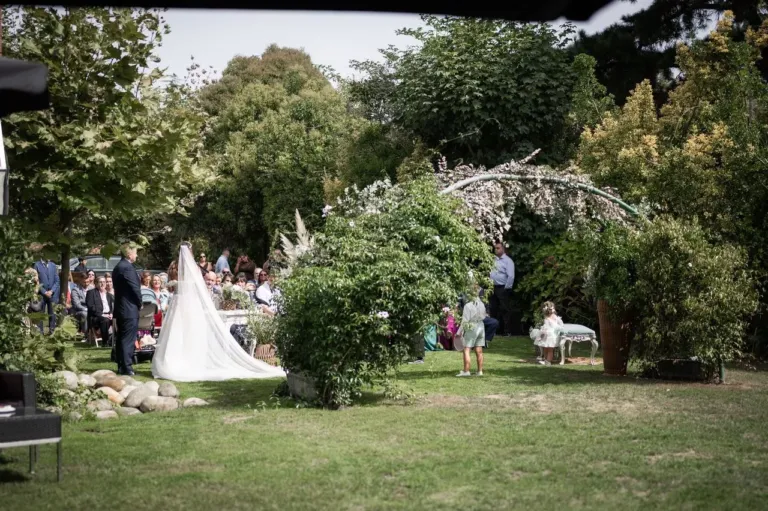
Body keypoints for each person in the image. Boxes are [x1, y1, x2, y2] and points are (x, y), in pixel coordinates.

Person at [151, 243, 286, 381]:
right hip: (184, 303)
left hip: (179, 303)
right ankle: (185, 358)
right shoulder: (193, 270)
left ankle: (179, 358)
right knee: (181, 330)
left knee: (179, 331)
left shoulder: (176, 268)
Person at [113, 244, 142, 376]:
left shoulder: (118, 267)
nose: (136, 255)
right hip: (129, 308)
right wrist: (140, 302)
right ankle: (127, 367)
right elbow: (135, 288)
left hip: (120, 307)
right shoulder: (128, 268)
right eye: (135, 253)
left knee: (121, 338)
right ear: (129, 254)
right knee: (128, 339)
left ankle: (121, 365)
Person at [456, 285, 486, 377]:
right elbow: (484, 316)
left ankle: (466, 371)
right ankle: (480, 371)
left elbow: (465, 321)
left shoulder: (468, 306)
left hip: (471, 326)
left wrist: (458, 332)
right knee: (479, 349)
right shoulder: (482, 304)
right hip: (481, 326)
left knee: (466, 349)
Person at [489, 241, 515, 336]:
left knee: (504, 309)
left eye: (498, 248)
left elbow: (511, 276)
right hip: (493, 287)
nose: (496, 249)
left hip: (503, 287)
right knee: (493, 309)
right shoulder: (493, 260)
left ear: (503, 249)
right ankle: (493, 331)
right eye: (495, 248)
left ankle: (507, 331)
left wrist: (506, 288)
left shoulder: (508, 261)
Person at [34, 256, 60, 333]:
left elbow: (57, 281)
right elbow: (36, 281)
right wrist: (44, 292)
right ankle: (40, 332)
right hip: (42, 293)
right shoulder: (37, 265)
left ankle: (52, 331)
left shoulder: (53, 265)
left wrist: (52, 291)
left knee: (52, 313)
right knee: (40, 313)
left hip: (53, 293)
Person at [86, 276, 114, 345]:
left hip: (108, 315)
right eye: (100, 282)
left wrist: (111, 313)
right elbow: (91, 307)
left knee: (119, 319)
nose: (102, 284)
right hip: (95, 317)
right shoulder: (91, 293)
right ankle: (106, 342)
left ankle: (116, 340)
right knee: (105, 320)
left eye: (104, 282)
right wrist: (102, 314)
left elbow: (113, 307)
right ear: (96, 283)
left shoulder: (109, 295)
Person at [534, 301, 563, 366]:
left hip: (551, 335)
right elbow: (546, 326)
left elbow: (559, 325)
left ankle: (548, 361)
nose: (552, 310)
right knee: (545, 347)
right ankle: (545, 359)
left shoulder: (554, 316)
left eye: (553, 309)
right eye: (551, 309)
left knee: (550, 349)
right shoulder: (547, 316)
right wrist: (542, 332)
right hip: (546, 334)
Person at [70, 272, 89, 336]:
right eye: (84, 282)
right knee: (85, 314)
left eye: (87, 282)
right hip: (78, 311)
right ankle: (86, 334)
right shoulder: (75, 290)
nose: (86, 284)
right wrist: (86, 309)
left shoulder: (91, 288)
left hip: (89, 309)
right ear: (80, 281)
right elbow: (77, 304)